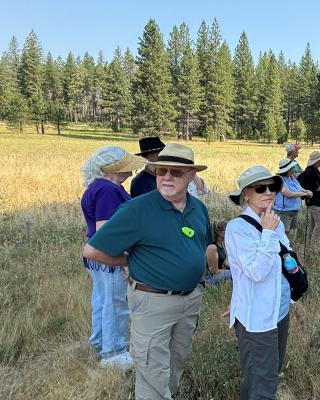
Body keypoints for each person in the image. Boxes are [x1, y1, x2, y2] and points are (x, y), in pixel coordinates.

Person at [83, 143, 213, 399]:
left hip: (190, 300)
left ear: (190, 176)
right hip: (152, 301)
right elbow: (92, 250)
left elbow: (203, 242)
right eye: (160, 170)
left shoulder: (199, 209)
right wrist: (128, 262)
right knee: (152, 367)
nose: (166, 176)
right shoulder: (136, 210)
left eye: (175, 172)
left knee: (177, 361)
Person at [225, 165, 294, 400]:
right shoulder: (238, 228)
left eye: (273, 186)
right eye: (260, 188)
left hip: (279, 309)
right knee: (263, 381)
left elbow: (284, 261)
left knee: (267, 373)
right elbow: (256, 272)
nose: (269, 192)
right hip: (257, 317)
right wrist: (267, 233)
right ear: (246, 194)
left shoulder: (274, 222)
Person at [80, 146, 146, 369]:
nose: (131, 170)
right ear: (115, 169)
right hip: (108, 257)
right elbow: (105, 230)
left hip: (97, 256)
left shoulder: (100, 187)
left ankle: (100, 343)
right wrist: (124, 258)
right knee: (115, 303)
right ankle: (114, 353)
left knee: (102, 300)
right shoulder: (108, 190)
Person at [131, 136, 207, 199]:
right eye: (153, 156)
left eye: (161, 154)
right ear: (147, 158)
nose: (159, 159)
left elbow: (202, 190)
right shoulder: (140, 182)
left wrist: (190, 171)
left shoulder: (179, 173)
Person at [273, 158, 312, 238]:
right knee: (283, 233)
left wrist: (307, 191)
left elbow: (300, 188)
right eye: (292, 167)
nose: (294, 169)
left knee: (290, 232)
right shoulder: (279, 179)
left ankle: (288, 248)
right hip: (284, 212)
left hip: (293, 210)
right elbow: (288, 194)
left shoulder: (292, 178)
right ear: (287, 169)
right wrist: (304, 194)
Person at [298, 151, 320, 241]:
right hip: (314, 201)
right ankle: (314, 244)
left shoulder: (311, 170)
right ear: (317, 161)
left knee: (312, 224)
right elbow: (317, 188)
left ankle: (309, 244)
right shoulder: (312, 172)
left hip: (311, 201)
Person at [205, 220, 232, 286]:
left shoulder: (222, 244)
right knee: (235, 274)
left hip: (220, 273)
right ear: (218, 232)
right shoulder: (212, 247)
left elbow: (225, 262)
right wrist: (234, 271)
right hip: (210, 278)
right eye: (225, 230)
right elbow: (214, 271)